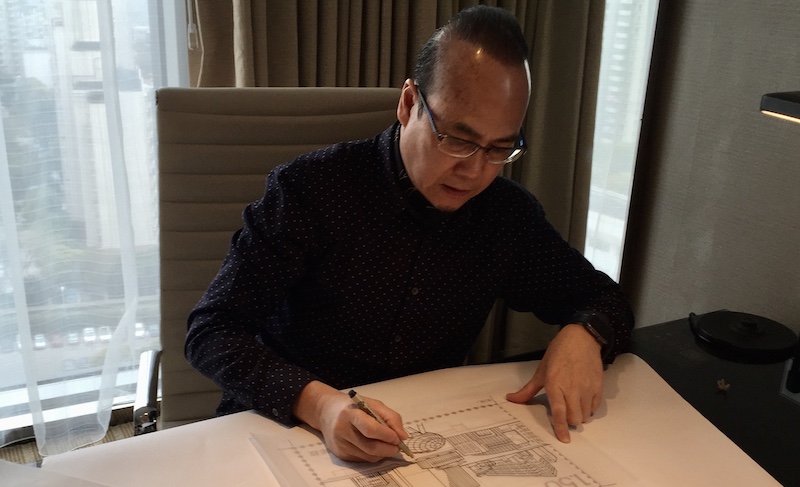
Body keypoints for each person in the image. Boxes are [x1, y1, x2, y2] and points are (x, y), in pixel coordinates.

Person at [185, 6, 634, 462]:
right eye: (458, 139)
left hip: (417, 437)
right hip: (285, 426)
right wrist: (321, 405)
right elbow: (212, 330)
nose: (474, 172)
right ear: (408, 103)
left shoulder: (505, 216)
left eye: (500, 148)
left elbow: (603, 298)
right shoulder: (311, 191)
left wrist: (585, 333)